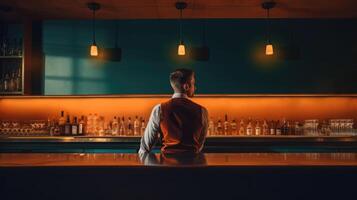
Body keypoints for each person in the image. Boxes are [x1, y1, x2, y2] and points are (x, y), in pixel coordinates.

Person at [138, 68, 208, 155]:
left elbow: (145, 147)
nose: (195, 87)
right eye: (193, 83)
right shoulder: (202, 111)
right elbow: (199, 144)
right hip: (192, 164)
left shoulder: (159, 109)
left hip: (166, 165)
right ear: (186, 86)